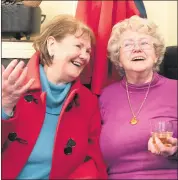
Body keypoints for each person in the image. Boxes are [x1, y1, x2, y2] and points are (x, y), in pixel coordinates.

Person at [2, 14, 107, 179]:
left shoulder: (88, 102)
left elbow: (93, 160)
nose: (85, 56)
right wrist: (5, 107)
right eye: (78, 46)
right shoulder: (11, 85)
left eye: (88, 51)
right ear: (52, 45)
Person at [99, 15, 177, 179]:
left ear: (156, 55)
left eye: (144, 43)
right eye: (127, 45)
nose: (137, 49)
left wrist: (176, 150)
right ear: (118, 59)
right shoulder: (105, 97)